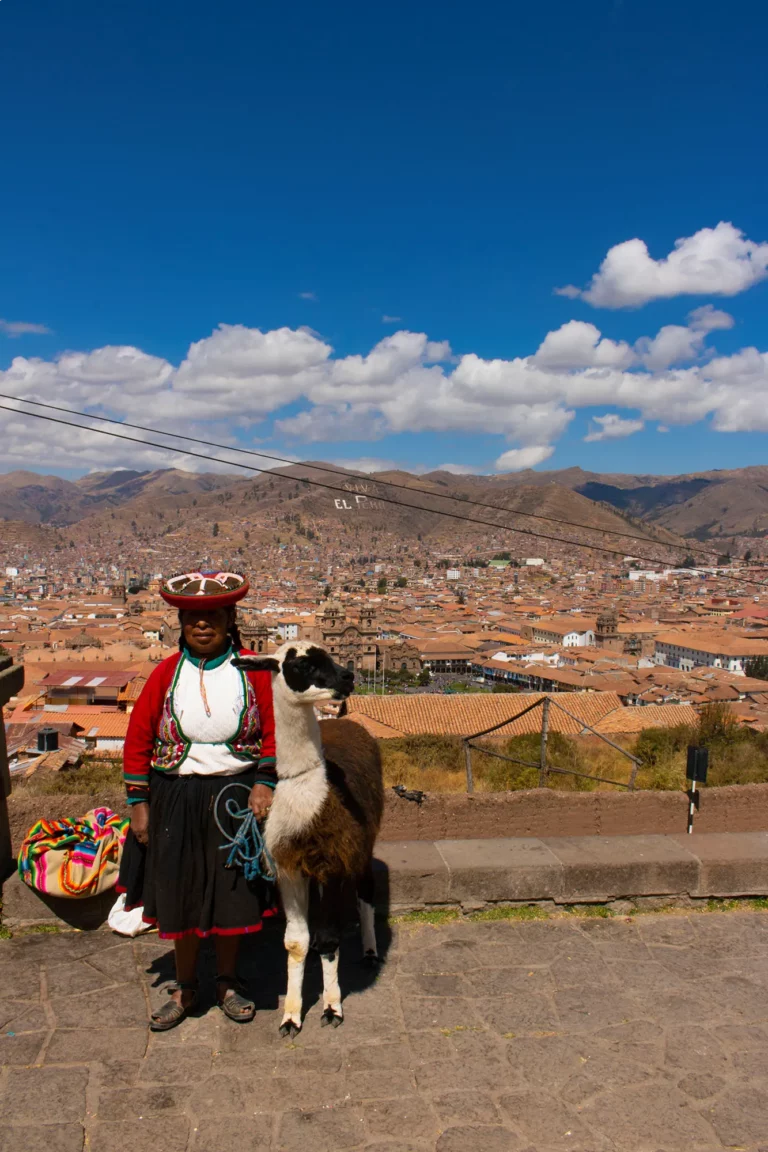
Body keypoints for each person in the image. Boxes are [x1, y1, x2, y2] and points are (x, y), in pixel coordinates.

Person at [120, 571, 277, 1031]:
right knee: (180, 894)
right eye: (193, 618)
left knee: (232, 895)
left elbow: (273, 731)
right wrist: (139, 803)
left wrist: (265, 782)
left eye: (213, 616)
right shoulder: (165, 675)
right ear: (182, 623)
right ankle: (186, 986)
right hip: (175, 797)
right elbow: (138, 738)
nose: (202, 625)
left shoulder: (255, 671)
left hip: (234, 798)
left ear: (230, 619)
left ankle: (227, 981)